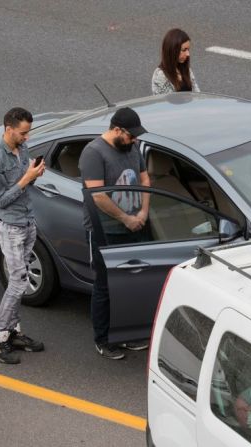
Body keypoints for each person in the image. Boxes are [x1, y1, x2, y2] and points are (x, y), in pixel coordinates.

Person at [78, 107, 151, 359]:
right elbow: (98, 196)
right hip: (105, 232)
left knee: (129, 285)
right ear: (117, 130)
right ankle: (104, 339)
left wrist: (142, 213)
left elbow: (144, 180)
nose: (135, 141)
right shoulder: (93, 153)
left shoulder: (131, 148)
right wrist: (126, 218)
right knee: (105, 287)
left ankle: (126, 334)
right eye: (131, 136)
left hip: (133, 226)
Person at [0, 107, 46, 364]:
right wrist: (25, 179)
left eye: (28, 132)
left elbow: (23, 184)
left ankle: (14, 332)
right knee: (19, 282)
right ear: (9, 129)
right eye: (23, 133)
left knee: (19, 280)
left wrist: (33, 175)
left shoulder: (22, 150)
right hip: (10, 228)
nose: (27, 137)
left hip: (28, 221)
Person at [151, 28, 200, 94]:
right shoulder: (160, 76)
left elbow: (196, 94)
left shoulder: (185, 68)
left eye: (188, 49)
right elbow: (162, 102)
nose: (188, 54)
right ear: (172, 50)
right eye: (184, 50)